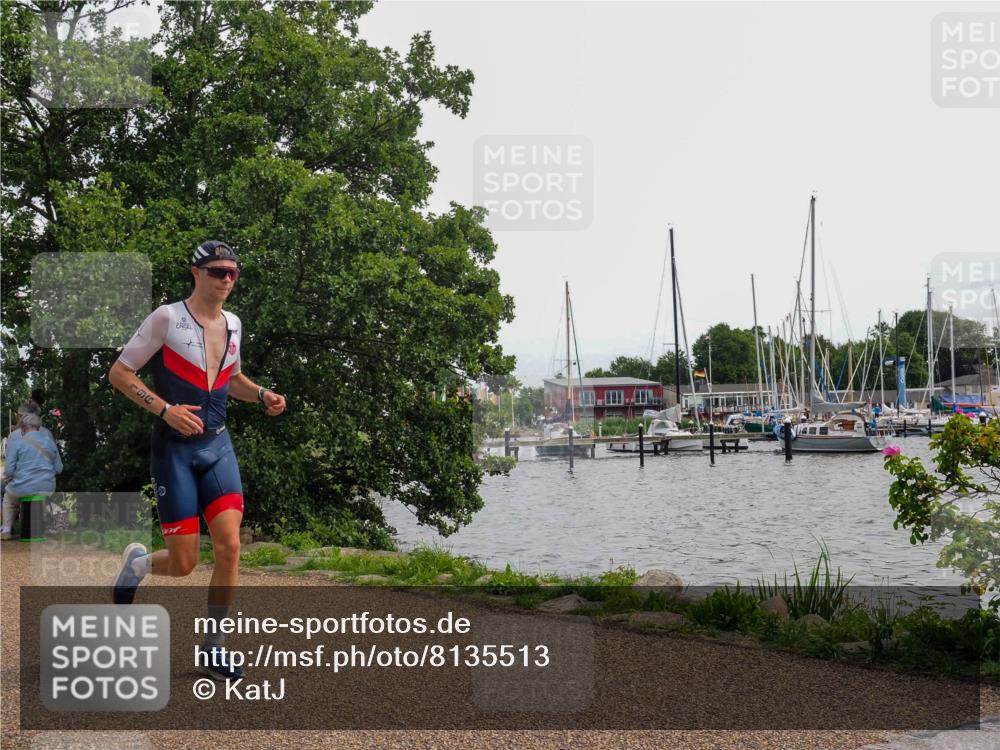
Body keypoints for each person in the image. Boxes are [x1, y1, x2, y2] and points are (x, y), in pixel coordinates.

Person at [108, 240, 286, 681]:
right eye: (217, 271)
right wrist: (164, 409)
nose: (226, 279)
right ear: (196, 273)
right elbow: (120, 373)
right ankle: (138, 565)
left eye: (232, 273)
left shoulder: (234, 324)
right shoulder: (166, 318)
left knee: (230, 547)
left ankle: (213, 647)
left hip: (218, 447)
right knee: (184, 563)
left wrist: (262, 394)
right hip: (175, 451)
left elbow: (232, 379)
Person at [1, 413, 63, 539]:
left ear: (22, 428)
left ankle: (6, 529)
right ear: (38, 427)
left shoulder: (17, 443)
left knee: (8, 499)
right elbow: (59, 469)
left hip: (21, 488)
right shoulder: (50, 443)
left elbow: (8, 471)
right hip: (46, 487)